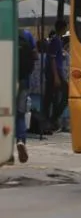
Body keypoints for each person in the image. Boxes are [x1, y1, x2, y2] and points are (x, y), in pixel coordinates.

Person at [15, 29, 37, 163]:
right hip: (23, 80)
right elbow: (35, 56)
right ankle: (21, 140)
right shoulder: (27, 35)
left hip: (4, 80)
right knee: (20, 113)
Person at [45, 20, 68, 131]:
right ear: (63, 28)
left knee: (51, 97)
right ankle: (52, 119)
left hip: (57, 72)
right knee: (65, 94)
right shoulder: (56, 41)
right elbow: (52, 59)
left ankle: (51, 120)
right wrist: (56, 76)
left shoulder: (58, 40)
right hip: (55, 72)